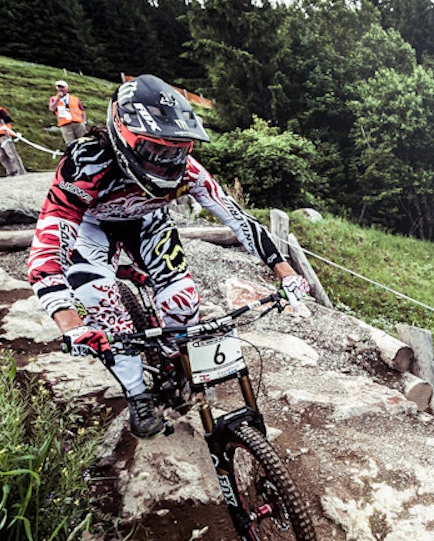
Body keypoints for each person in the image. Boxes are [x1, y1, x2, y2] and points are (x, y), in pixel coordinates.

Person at [26, 74, 310, 438]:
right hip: (92, 227)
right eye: (155, 150)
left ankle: (176, 360)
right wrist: (70, 323)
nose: (167, 161)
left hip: (149, 223)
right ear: (122, 134)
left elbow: (237, 219)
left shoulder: (189, 171)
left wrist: (285, 272)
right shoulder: (85, 164)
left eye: (177, 150)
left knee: (183, 301)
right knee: (105, 311)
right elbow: (48, 246)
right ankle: (137, 395)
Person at [48, 79, 89, 145]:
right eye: (59, 87)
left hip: (78, 123)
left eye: (62, 87)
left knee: (83, 141)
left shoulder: (75, 99)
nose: (61, 89)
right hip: (65, 124)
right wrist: (58, 98)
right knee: (70, 144)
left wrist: (84, 122)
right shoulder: (54, 99)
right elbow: (52, 109)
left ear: (67, 88)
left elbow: (82, 111)